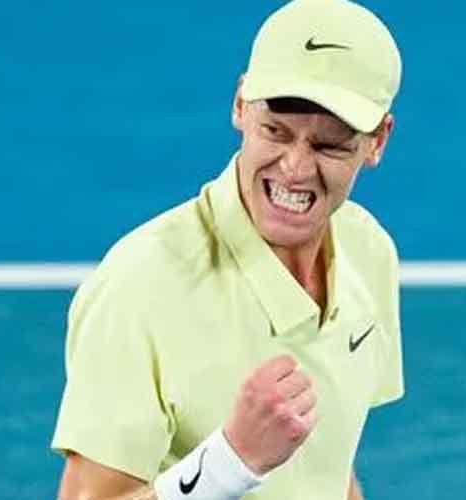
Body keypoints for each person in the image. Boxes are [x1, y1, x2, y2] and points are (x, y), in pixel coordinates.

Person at [52, 0, 404, 498]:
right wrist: (230, 462)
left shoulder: (369, 253)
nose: (296, 170)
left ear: (377, 142)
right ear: (241, 105)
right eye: (275, 132)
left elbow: (328, 470)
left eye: (329, 146)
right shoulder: (140, 286)